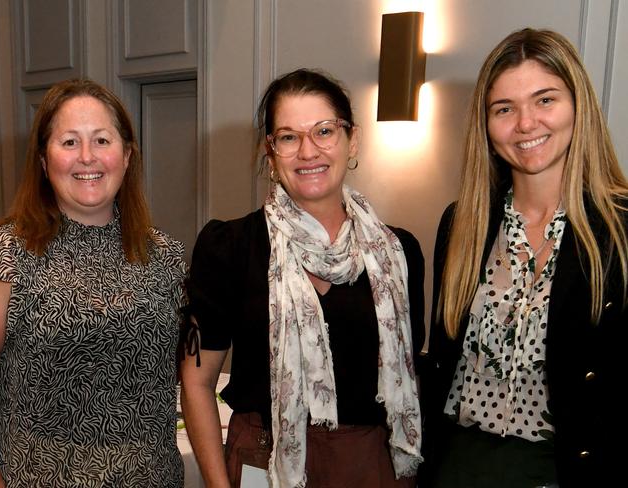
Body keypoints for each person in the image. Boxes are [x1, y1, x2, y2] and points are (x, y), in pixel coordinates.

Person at [180, 68, 425, 488]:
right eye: (289, 137)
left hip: (370, 464)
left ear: (353, 140)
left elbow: (413, 372)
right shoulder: (231, 247)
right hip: (263, 456)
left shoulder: (398, 253)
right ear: (270, 152)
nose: (308, 151)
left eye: (324, 131)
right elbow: (197, 381)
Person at [419, 28, 628, 488]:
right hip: (456, 466)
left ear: (578, 106)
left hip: (564, 469)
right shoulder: (462, 224)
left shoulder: (620, 229)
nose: (526, 123)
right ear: (486, 124)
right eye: (504, 109)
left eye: (545, 100)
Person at [0, 79, 187, 487]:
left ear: (126, 155)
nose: (87, 157)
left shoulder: (166, 256)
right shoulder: (1, 254)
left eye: (102, 140)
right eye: (69, 142)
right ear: (43, 159)